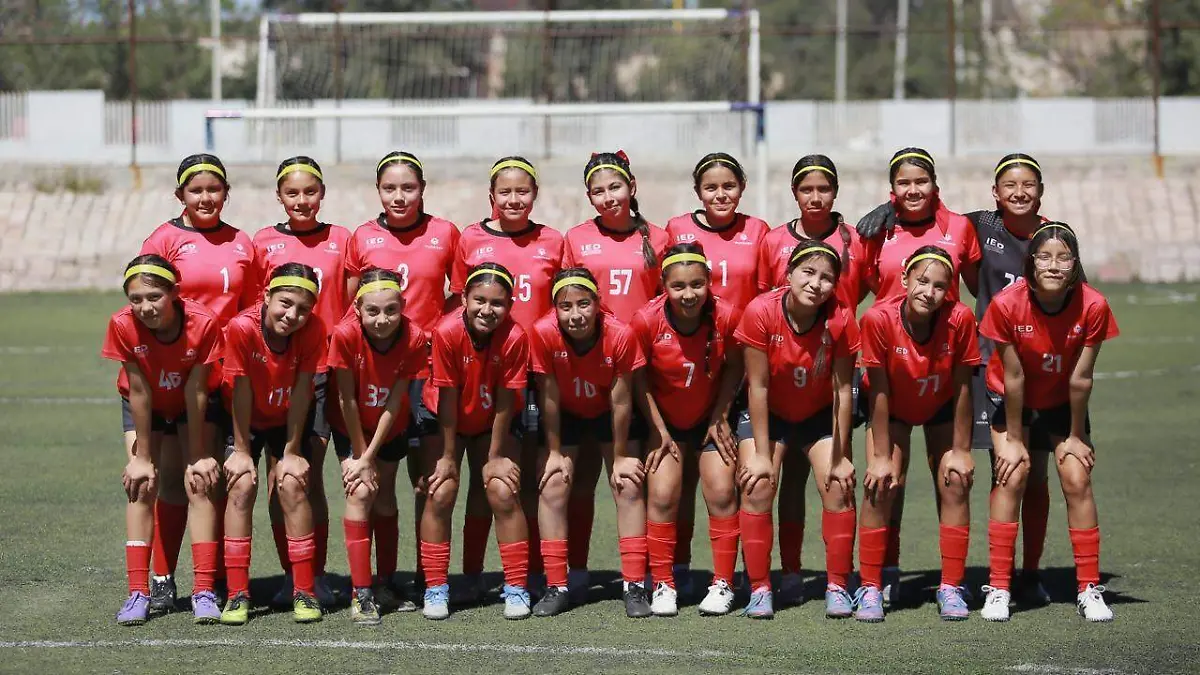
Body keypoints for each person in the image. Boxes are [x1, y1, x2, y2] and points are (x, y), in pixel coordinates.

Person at [854, 147, 982, 605]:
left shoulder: (961, 231)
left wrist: (964, 450)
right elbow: (855, 287)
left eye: (921, 181)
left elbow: (984, 278)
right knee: (884, 479)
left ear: (936, 185)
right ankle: (878, 577)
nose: (913, 190)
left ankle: (952, 585)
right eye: (903, 183)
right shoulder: (875, 233)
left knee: (953, 476)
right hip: (890, 362)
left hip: (942, 370)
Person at [977, 223, 1118, 623]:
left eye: (1063, 257)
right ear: (1030, 262)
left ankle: (1089, 587)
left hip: (1061, 403)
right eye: (1045, 256)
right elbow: (1014, 378)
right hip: (1013, 400)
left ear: (1075, 264)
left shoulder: (1093, 305)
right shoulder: (1007, 304)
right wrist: (1016, 438)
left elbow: (1081, 378)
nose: (1054, 265)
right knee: (1015, 474)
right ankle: (1000, 588)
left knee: (1076, 477)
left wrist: (1075, 436)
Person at [137, 154, 254, 613]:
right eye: (196, 190)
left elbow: (252, 308)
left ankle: (217, 577)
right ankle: (163, 578)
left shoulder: (242, 242)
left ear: (226, 192)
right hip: (174, 376)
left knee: (212, 480)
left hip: (222, 377)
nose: (206, 198)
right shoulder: (164, 239)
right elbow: (144, 304)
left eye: (214, 189)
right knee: (170, 479)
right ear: (180, 195)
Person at [344, 150, 460, 609]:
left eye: (408, 187)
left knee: (426, 481)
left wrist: (440, 340)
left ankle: (427, 579)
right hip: (379, 374)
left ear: (422, 190)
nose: (399, 196)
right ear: (378, 192)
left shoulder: (444, 233)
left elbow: (461, 296)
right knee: (379, 482)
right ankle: (377, 580)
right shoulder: (363, 236)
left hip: (429, 373)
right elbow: (353, 304)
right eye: (390, 188)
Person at [449, 157, 564, 603]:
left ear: (534, 194)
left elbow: (566, 302)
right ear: (491, 197)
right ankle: (473, 574)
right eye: (505, 192)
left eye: (523, 191)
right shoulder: (470, 238)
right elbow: (458, 301)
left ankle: (533, 573)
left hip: (538, 373)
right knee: (482, 481)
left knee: (529, 478)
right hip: (482, 371)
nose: (514, 200)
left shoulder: (553, 241)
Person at [560, 150, 669, 600]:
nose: (608, 198)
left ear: (632, 187)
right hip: (585, 368)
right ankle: (578, 569)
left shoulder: (659, 238)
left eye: (615, 187)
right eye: (598, 191)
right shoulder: (576, 237)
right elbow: (568, 298)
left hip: (638, 375)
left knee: (627, 476)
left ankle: (636, 576)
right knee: (580, 480)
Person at [756, 154, 864, 604]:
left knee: (835, 479)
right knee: (775, 479)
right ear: (795, 193)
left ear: (836, 192)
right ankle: (783, 577)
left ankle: (844, 582)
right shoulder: (773, 242)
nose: (815, 197)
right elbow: (767, 296)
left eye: (824, 188)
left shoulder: (856, 240)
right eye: (807, 189)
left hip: (829, 374)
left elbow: (872, 285)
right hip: (781, 372)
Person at [733, 240, 859, 620]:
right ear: (788, 274)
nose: (815, 283)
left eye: (826, 278)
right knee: (757, 485)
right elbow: (758, 386)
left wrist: (840, 457)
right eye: (807, 272)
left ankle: (837, 584)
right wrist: (759, 455)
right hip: (769, 413)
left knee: (838, 485)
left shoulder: (840, 317)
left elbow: (841, 391)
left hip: (817, 414)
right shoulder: (761, 311)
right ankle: (759, 588)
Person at [250, 156, 352, 609]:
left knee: (306, 479)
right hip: (271, 371)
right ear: (279, 197)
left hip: (322, 374)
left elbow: (349, 304)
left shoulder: (341, 240)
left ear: (322, 193)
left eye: (310, 192)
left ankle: (316, 575)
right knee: (277, 482)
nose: (302, 201)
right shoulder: (263, 242)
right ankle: (293, 576)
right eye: (292, 193)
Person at [665, 151, 768, 590]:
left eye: (729, 186)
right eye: (711, 187)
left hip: (741, 369)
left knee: (735, 477)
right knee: (679, 478)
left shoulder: (757, 231)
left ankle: (744, 572)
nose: (720, 194)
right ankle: (682, 569)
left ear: (741, 188)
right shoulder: (677, 229)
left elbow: (765, 297)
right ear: (697, 192)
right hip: (686, 365)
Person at [102, 256, 223, 625]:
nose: (145, 307)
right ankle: (138, 593)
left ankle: (203, 591)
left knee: (198, 483)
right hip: (145, 405)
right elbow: (138, 392)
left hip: (192, 403)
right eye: (135, 298)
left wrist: (200, 453)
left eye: (154, 297)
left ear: (175, 292)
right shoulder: (122, 325)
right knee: (141, 485)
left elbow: (197, 390)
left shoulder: (202, 323)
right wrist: (142, 457)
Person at [528, 268, 649, 618]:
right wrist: (552, 452)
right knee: (553, 485)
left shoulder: (620, 334)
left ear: (598, 303)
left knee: (627, 485)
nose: (576, 314)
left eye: (584, 304)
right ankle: (556, 584)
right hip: (564, 415)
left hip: (609, 415)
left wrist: (622, 455)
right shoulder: (542, 332)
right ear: (555, 308)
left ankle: (634, 585)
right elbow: (548, 397)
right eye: (566, 306)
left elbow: (622, 400)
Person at [418, 262, 533, 620]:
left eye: (497, 303)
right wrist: (449, 456)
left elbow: (504, 400)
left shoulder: (515, 336)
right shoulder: (447, 331)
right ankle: (436, 587)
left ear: (511, 304)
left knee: (499, 488)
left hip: (492, 420)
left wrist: (495, 455)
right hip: (445, 416)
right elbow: (448, 395)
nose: (487, 310)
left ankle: (512, 586)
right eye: (479, 300)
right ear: (463, 298)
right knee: (442, 490)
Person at [634, 244, 744, 617]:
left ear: (709, 282)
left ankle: (724, 581)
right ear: (663, 284)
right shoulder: (646, 320)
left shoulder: (727, 315)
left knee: (722, 490)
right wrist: (657, 429)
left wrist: (720, 415)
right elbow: (638, 380)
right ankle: (663, 583)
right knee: (664, 494)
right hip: (664, 424)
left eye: (697, 284)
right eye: (678, 285)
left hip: (710, 421)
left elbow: (735, 366)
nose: (689, 294)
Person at [217, 263, 328, 625]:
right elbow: (240, 390)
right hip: (245, 417)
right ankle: (237, 594)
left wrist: (293, 451)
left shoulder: (314, 330)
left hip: (287, 419)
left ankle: (303, 589)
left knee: (293, 484)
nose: (292, 314)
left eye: (303, 309)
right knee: (242, 484)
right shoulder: (242, 327)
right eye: (285, 303)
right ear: (266, 296)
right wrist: (243, 451)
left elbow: (301, 392)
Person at [326, 268, 429, 625]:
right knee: (360, 493)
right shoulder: (344, 334)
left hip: (389, 425)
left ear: (402, 306)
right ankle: (362, 593)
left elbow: (396, 399)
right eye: (372, 311)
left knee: (384, 497)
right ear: (357, 309)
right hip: (351, 424)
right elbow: (345, 400)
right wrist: (359, 456)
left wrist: (371, 455)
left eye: (390, 310)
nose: (381, 319)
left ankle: (385, 583)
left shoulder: (415, 337)